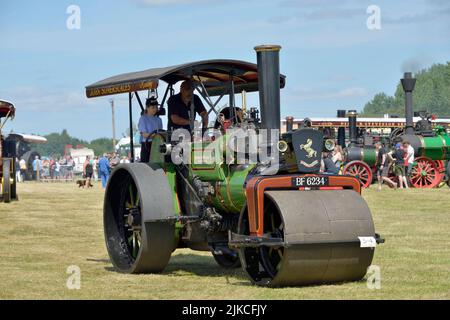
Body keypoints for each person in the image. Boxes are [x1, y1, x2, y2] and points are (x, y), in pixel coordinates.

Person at [138, 97, 163, 162]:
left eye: (156, 107)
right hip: (146, 145)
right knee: (146, 166)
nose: (155, 109)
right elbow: (144, 134)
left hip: (157, 145)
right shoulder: (143, 119)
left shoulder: (159, 120)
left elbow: (161, 132)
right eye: (153, 107)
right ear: (147, 108)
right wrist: (155, 135)